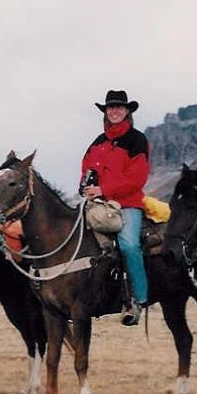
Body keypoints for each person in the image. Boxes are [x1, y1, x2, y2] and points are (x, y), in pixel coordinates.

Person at [80, 90, 150, 326]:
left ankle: (137, 299)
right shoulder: (97, 143)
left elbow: (137, 178)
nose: (115, 111)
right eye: (111, 108)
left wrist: (104, 190)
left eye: (119, 107)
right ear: (106, 112)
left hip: (127, 203)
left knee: (129, 245)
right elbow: (86, 170)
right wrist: (86, 187)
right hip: (97, 204)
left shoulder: (137, 140)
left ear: (127, 110)